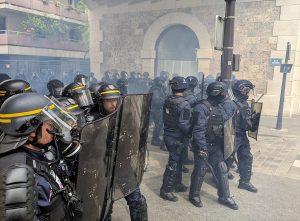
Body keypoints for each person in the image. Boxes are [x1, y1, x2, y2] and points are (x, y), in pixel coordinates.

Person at [0, 92, 82, 220]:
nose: (56, 128)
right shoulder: (17, 174)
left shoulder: (42, 154)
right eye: (50, 124)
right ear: (31, 131)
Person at [94, 84, 148, 221]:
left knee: (137, 200)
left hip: (122, 163)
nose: (113, 104)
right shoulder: (94, 119)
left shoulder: (125, 114)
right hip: (103, 166)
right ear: (101, 102)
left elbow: (134, 137)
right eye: (109, 100)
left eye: (116, 100)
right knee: (103, 205)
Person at [189, 81, 238, 210]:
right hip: (203, 144)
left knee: (222, 169)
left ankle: (224, 196)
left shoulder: (219, 106)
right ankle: (194, 195)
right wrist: (202, 148)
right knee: (201, 170)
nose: (225, 95)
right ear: (217, 93)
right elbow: (198, 130)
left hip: (216, 144)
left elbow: (224, 121)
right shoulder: (202, 107)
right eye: (223, 93)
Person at [160, 76, 192, 202]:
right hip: (177, 137)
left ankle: (177, 184)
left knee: (177, 161)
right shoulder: (184, 104)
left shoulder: (168, 99)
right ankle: (166, 190)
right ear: (184, 87)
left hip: (168, 134)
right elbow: (184, 124)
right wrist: (190, 132)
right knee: (173, 163)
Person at [230, 79, 260, 193]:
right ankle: (220, 184)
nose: (248, 93)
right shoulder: (239, 105)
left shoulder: (236, 102)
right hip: (234, 136)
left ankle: (244, 182)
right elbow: (249, 126)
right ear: (242, 91)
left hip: (240, 135)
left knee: (246, 157)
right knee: (227, 160)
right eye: (247, 91)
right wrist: (254, 118)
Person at [149, 77, 167, 148]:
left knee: (158, 125)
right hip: (156, 109)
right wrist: (164, 101)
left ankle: (155, 138)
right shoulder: (156, 89)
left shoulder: (157, 88)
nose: (163, 83)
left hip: (156, 109)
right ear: (158, 82)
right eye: (162, 81)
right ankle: (155, 139)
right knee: (158, 125)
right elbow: (156, 101)